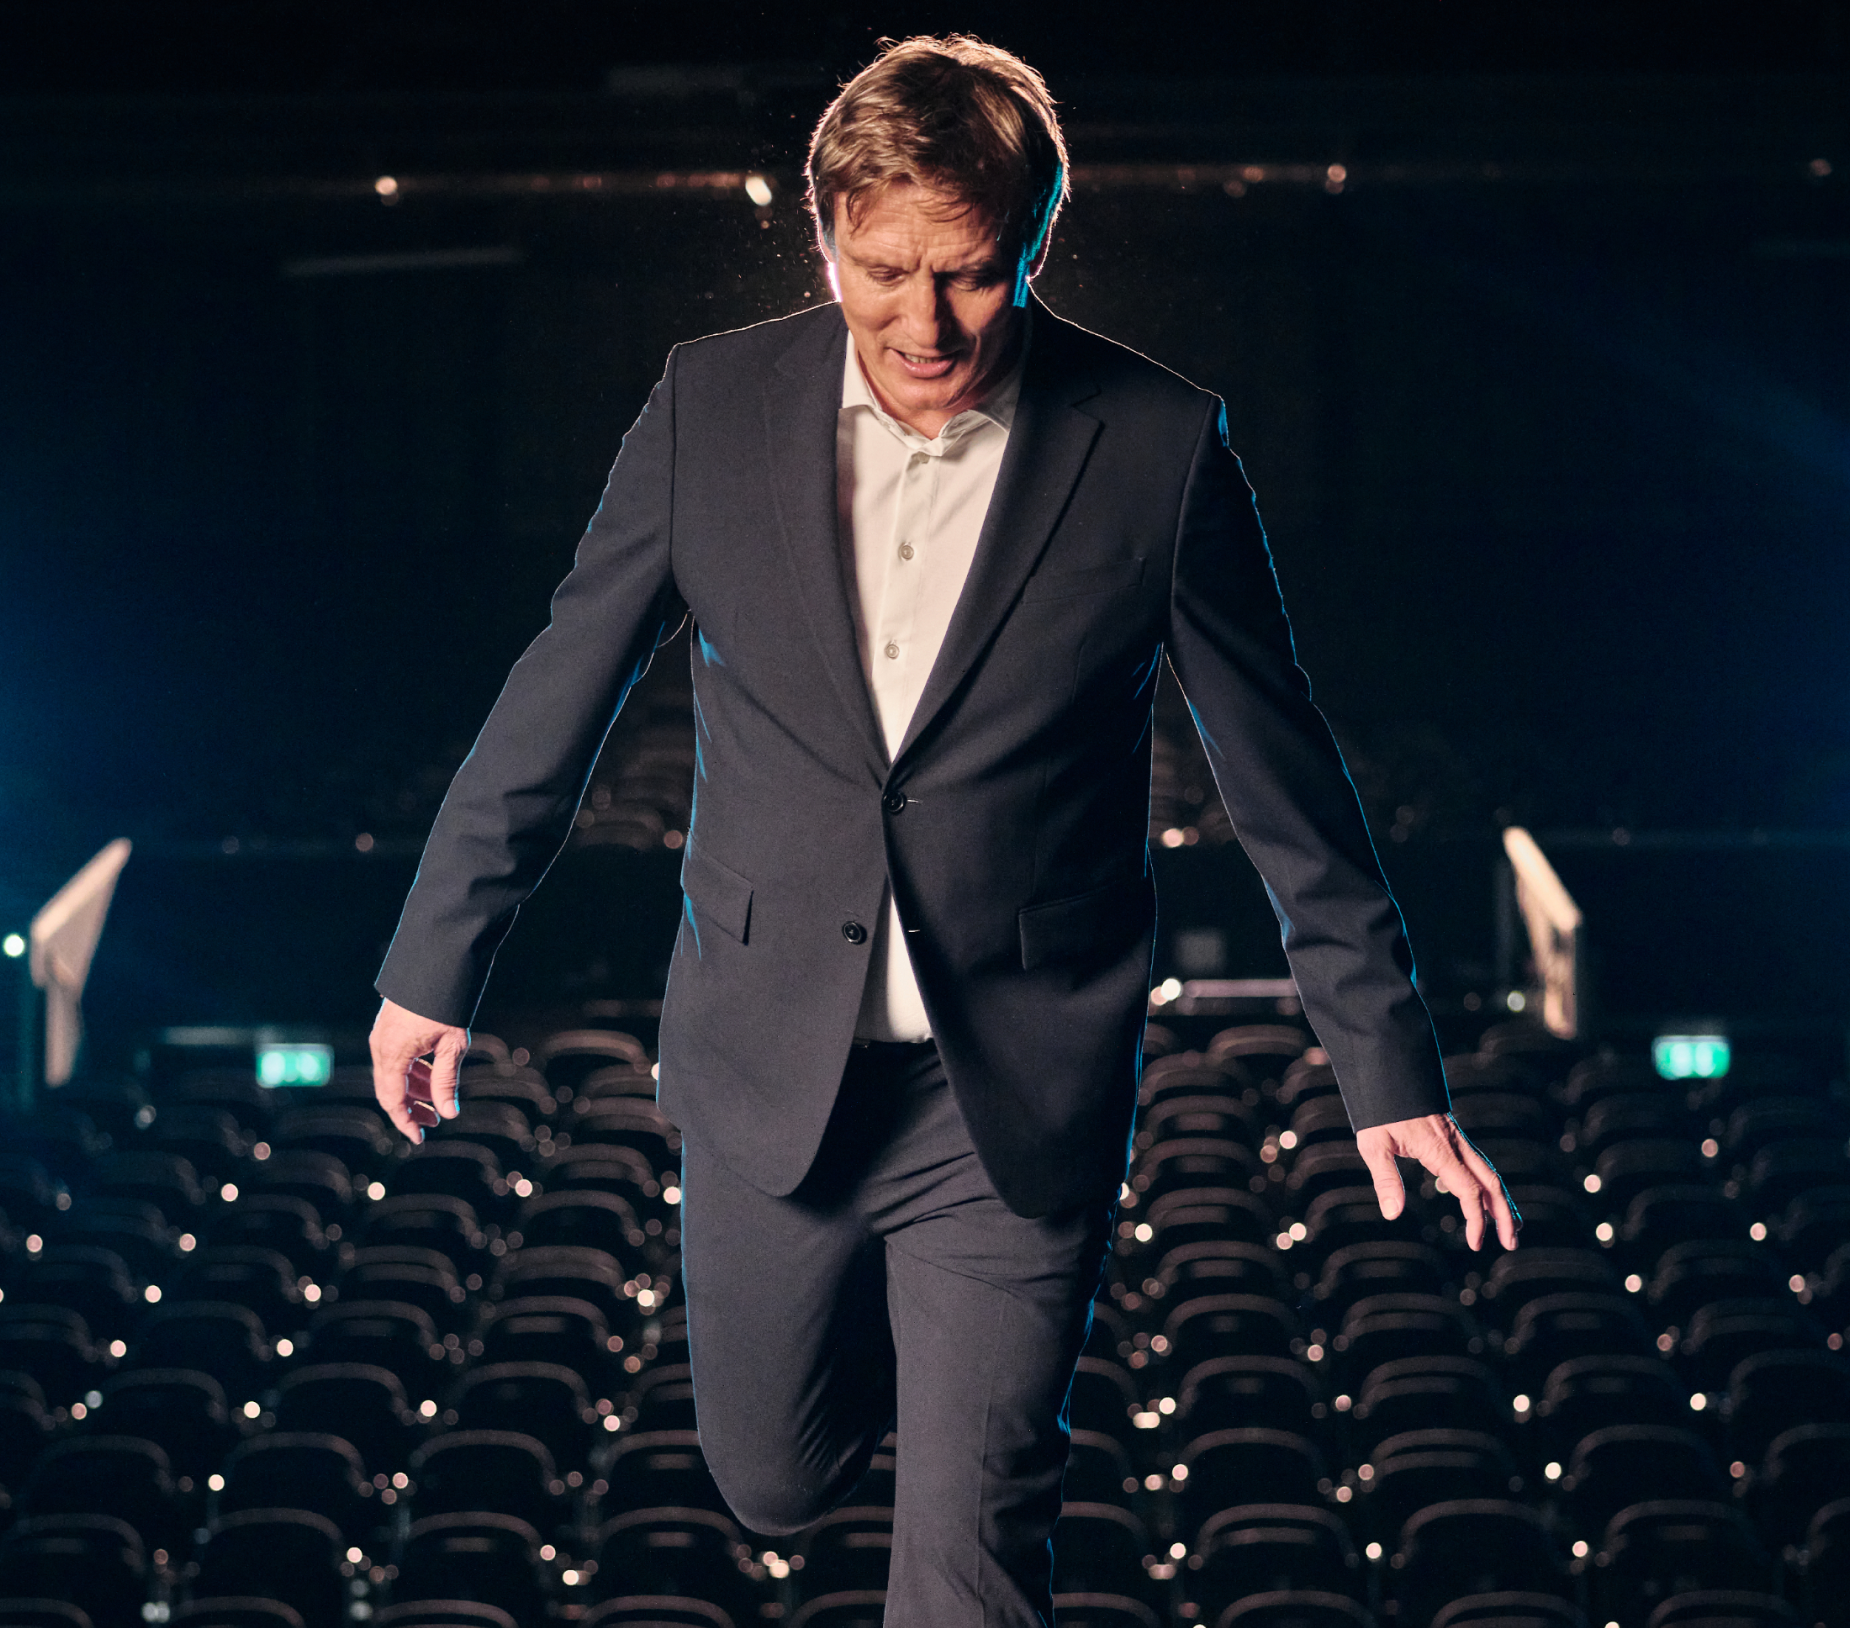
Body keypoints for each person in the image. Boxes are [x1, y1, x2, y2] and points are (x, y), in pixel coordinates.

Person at [371, 34, 1518, 1625]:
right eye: (884, 272)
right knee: (770, 1482)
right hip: (768, 1064)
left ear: (1036, 239)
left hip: (1012, 1089)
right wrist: (433, 965)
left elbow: (1285, 779)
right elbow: (556, 693)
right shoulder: (709, 405)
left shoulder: (1158, 444)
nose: (924, 324)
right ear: (823, 236)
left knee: (971, 1550)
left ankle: (959, 1372)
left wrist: (1384, 1066)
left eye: (972, 274)